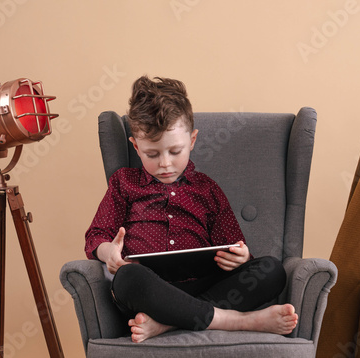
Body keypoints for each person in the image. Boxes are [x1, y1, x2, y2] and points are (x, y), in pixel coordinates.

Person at [85, 75, 298, 343]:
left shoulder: (207, 189)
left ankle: (167, 324)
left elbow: (232, 245)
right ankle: (236, 321)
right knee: (128, 278)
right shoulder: (124, 183)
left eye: (175, 151)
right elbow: (96, 236)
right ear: (136, 146)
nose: (165, 164)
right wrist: (109, 253)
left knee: (271, 270)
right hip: (149, 291)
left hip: (203, 282)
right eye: (152, 154)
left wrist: (241, 256)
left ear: (193, 140)